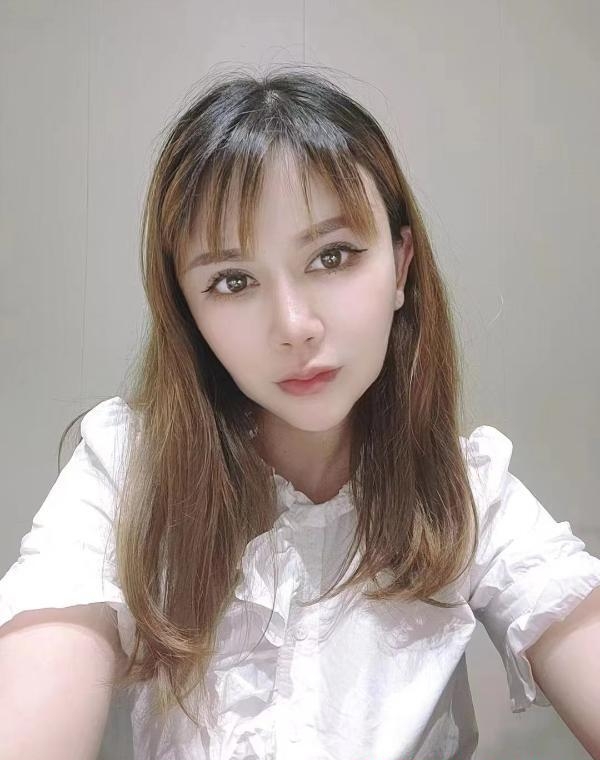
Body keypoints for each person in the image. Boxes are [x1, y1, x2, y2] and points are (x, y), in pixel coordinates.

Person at [1, 66, 600, 760]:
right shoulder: (126, 471)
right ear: (187, 309)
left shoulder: (468, 492)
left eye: (332, 256)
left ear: (401, 265)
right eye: (233, 281)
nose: (293, 326)